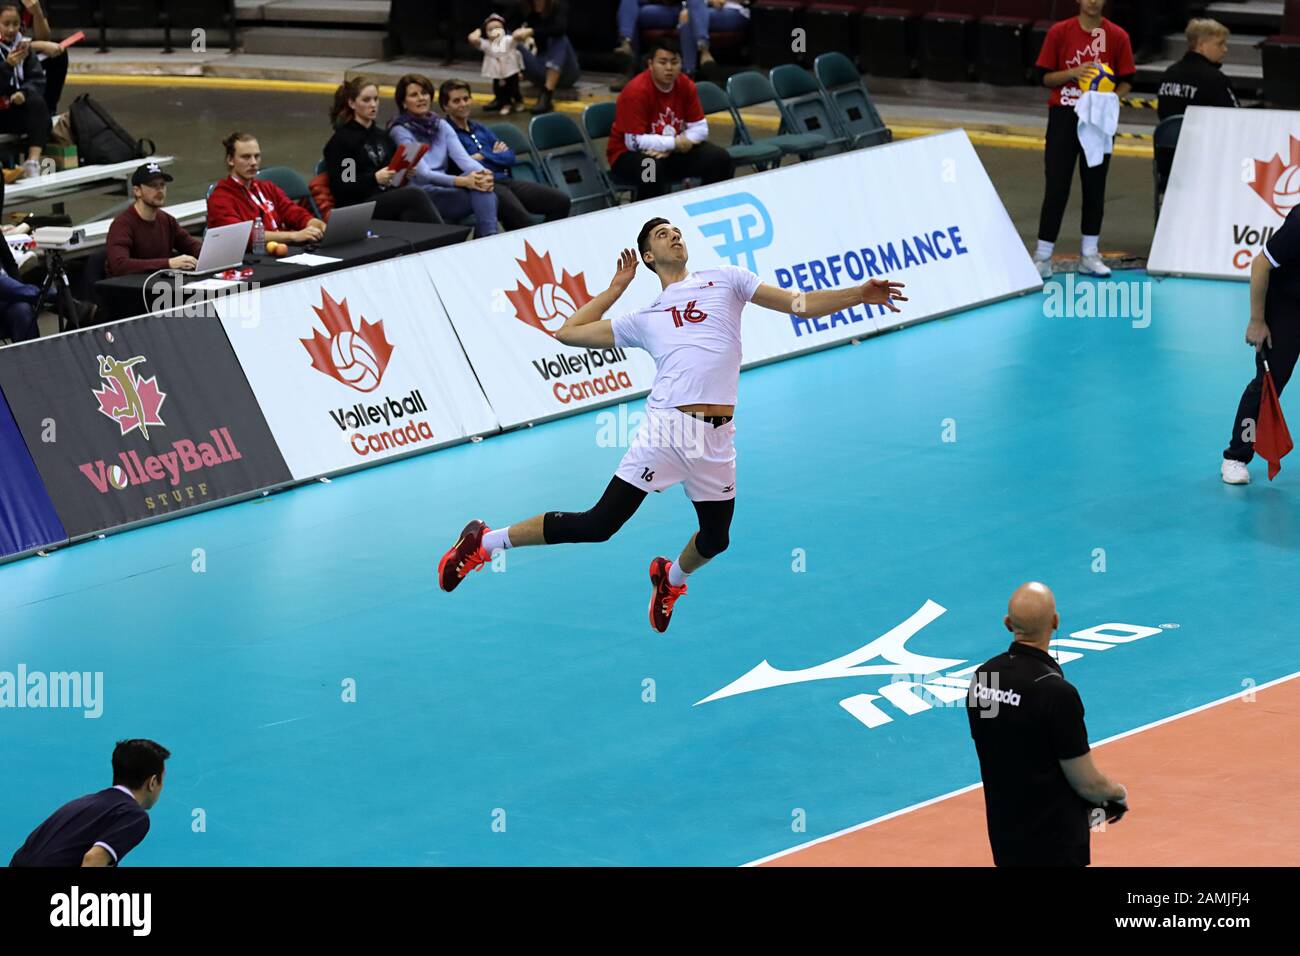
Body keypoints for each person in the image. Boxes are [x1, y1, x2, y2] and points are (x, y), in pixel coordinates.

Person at [437, 217, 907, 632]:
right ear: (648, 256)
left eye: (677, 231)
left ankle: (669, 578)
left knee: (716, 540)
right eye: (663, 235)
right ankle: (485, 541)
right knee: (600, 524)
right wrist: (616, 288)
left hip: (719, 436)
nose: (675, 236)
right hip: (669, 429)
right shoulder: (645, 317)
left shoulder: (728, 279)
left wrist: (858, 296)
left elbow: (799, 304)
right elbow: (568, 332)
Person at [967, 583, 1129, 867]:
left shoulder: (985, 678)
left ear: (1008, 624)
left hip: (1006, 838)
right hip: (1055, 845)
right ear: (1055, 622)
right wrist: (1116, 794)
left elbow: (994, 744)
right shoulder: (1056, 693)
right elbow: (1087, 782)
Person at [1033, 0, 1135, 280]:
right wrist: (1073, 73)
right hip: (1064, 117)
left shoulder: (1117, 36)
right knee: (1056, 186)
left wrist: (1111, 98)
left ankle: (1089, 254)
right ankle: (1042, 256)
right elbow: (1045, 78)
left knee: (1095, 186)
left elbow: (1127, 79)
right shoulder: (1060, 32)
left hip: (1098, 122)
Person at [1222, 202, 1300, 484]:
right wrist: (1257, 320)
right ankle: (1236, 456)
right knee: (1268, 385)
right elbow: (1260, 264)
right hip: (1286, 308)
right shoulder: (1299, 224)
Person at [9, 739, 170, 867]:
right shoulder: (134, 815)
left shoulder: (82, 804)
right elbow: (93, 860)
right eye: (162, 780)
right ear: (153, 782)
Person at [608, 37, 733, 200]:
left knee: (719, 158)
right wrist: (673, 144)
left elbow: (701, 128)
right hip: (629, 155)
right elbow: (633, 141)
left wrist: (675, 146)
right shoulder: (635, 91)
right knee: (650, 171)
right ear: (650, 64)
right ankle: (650, 219)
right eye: (663, 62)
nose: (669, 68)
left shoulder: (685, 85)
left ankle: (710, 208)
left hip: (672, 152)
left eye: (674, 62)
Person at [440, 79, 571, 230]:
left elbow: (509, 158)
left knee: (561, 202)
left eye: (466, 98)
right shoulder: (447, 133)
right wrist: (493, 155)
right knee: (523, 221)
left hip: (505, 180)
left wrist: (482, 155)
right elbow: (463, 167)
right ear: (445, 107)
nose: (463, 104)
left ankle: (548, 241)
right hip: (481, 187)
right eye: (456, 101)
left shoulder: (479, 128)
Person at [386, 73, 499, 238]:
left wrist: (484, 174)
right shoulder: (401, 131)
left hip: (445, 187)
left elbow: (465, 160)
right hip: (422, 195)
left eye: (424, 93)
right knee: (487, 195)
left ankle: (487, 238)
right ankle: (488, 239)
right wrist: (464, 181)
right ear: (403, 102)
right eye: (413, 95)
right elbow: (423, 174)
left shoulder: (440, 125)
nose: (421, 98)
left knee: (482, 184)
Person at [322, 77, 442, 225]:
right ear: (352, 103)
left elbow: (391, 176)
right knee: (414, 195)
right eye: (366, 100)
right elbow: (346, 185)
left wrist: (402, 174)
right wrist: (374, 179)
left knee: (411, 211)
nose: (373, 105)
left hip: (382, 197)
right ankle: (449, 245)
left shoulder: (382, 137)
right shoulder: (344, 141)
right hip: (356, 205)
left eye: (376, 99)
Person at [207, 131, 326, 247]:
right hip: (249, 258)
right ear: (230, 160)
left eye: (257, 156)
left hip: (279, 251)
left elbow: (293, 212)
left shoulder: (267, 187)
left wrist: (313, 223)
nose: (253, 162)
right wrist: (293, 236)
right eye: (246, 157)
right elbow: (242, 236)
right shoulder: (220, 198)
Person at [613, 0, 751, 86]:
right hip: (679, 7)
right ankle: (627, 50)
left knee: (688, 15)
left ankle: (688, 74)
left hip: (727, 9)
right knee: (631, 7)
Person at [105, 162, 203, 277]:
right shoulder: (122, 224)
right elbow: (119, 265)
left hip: (160, 286)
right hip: (129, 290)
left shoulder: (167, 220)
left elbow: (192, 246)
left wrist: (213, 253)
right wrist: (168, 263)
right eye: (153, 185)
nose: (160, 190)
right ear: (137, 191)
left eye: (162, 185)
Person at [0, 2, 50, 179]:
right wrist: (7, 66)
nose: (11, 29)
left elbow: (37, 79)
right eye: (6, 24)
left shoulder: (23, 47)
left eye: (15, 24)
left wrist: (24, 93)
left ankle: (33, 162)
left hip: (14, 108)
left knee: (39, 105)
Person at [1156, 18, 1238, 120]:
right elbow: (1234, 117)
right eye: (1220, 44)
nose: (1225, 49)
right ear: (1201, 46)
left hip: (1170, 135)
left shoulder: (1169, 73)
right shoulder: (1215, 79)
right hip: (1201, 135)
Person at [511, 0, 580, 115]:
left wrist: (531, 31)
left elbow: (560, 28)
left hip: (565, 71)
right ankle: (502, 93)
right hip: (540, 67)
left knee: (560, 39)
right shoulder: (523, 7)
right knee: (510, 41)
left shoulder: (558, 6)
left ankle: (547, 94)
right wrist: (482, 31)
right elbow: (501, 23)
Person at [470, 13, 527, 114]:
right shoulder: (487, 44)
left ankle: (518, 101)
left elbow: (517, 36)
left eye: (498, 28)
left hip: (511, 70)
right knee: (499, 90)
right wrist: (479, 30)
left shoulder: (508, 40)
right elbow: (473, 39)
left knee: (514, 88)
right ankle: (506, 103)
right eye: (490, 30)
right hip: (496, 72)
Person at [19, 0, 68, 115]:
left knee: (57, 55)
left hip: (17, 49)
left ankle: (48, 112)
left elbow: (44, 37)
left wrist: (37, 12)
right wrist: (38, 45)